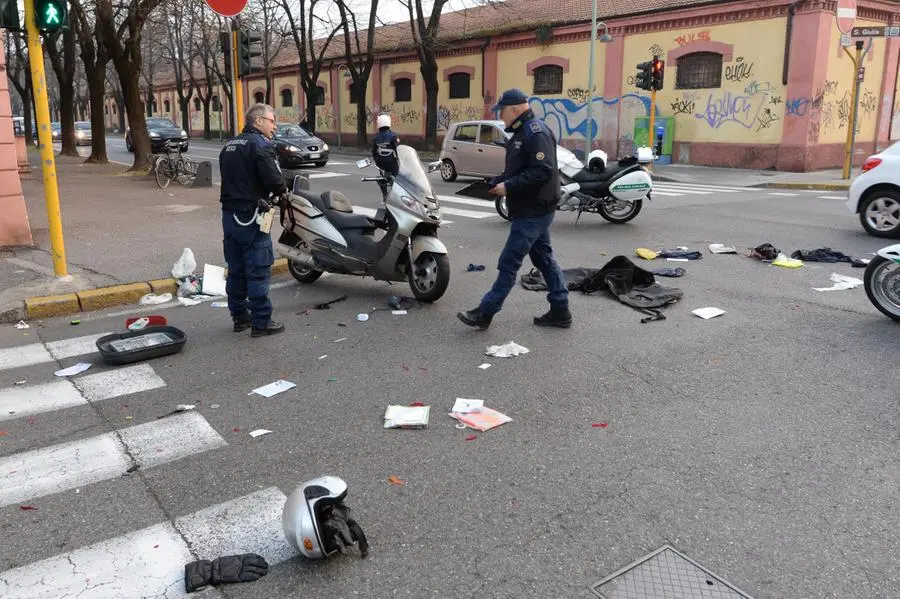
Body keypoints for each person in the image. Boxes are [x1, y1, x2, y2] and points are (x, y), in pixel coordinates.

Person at [457, 88, 571, 330]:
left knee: (509, 262)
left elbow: (543, 170)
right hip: (534, 207)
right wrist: (498, 181)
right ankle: (561, 310)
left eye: (504, 112)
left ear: (516, 109)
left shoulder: (534, 132)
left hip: (534, 210)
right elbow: (521, 169)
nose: (502, 117)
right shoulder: (522, 132)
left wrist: (508, 186)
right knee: (544, 259)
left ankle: (485, 312)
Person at [219, 103, 287, 337]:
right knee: (258, 268)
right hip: (252, 215)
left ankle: (239, 317)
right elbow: (276, 182)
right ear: (258, 121)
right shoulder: (261, 146)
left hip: (229, 216)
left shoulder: (229, 146)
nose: (274, 126)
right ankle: (261, 322)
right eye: (272, 121)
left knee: (236, 269)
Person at [372, 114, 399, 200]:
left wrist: (377, 161)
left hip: (381, 161)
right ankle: (396, 195)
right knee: (396, 177)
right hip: (391, 161)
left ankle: (385, 194)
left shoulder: (376, 137)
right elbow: (397, 148)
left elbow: (374, 151)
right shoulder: (393, 135)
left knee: (383, 177)